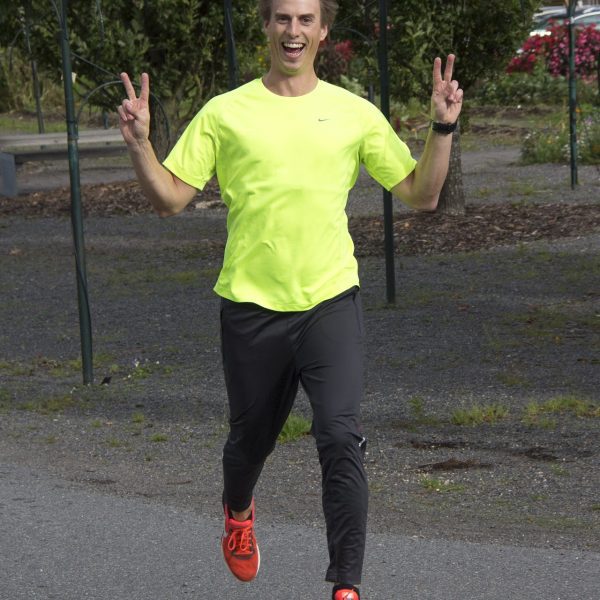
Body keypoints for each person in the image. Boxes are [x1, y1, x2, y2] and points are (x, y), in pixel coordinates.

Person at [118, 0, 463, 598]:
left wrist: (442, 128)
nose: (293, 30)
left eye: (305, 20)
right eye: (282, 18)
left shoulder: (354, 113)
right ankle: (238, 511)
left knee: (340, 435)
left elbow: (421, 194)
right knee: (249, 442)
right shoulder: (225, 112)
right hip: (251, 308)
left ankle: (347, 585)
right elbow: (169, 200)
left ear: (323, 30)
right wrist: (140, 145)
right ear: (266, 26)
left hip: (330, 301)